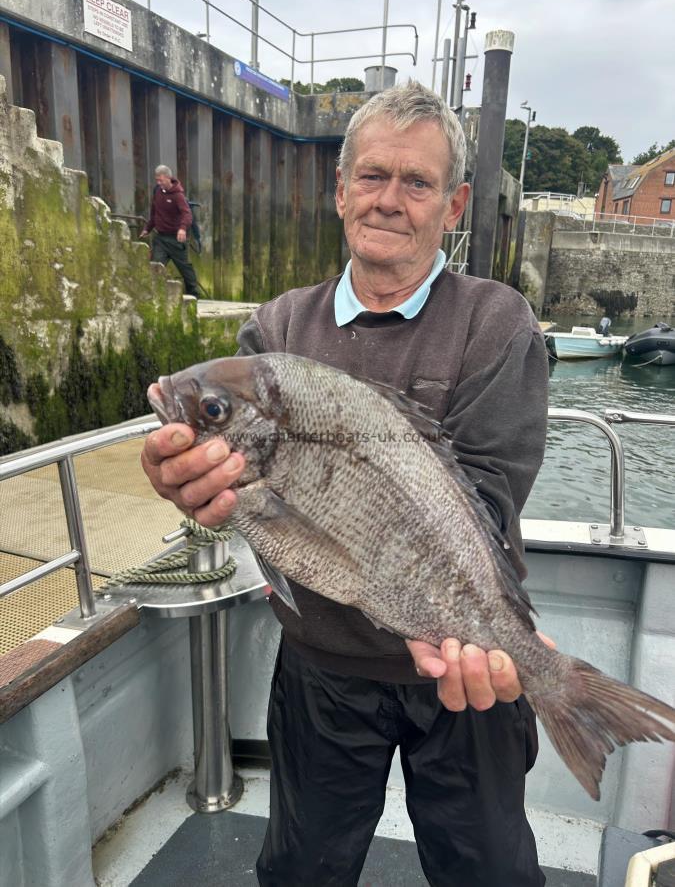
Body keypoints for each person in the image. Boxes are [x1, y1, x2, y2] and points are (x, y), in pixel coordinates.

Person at [141, 81, 550, 886]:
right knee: (301, 869)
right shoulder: (275, 329)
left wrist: (497, 633)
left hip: (466, 664)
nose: (388, 200)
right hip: (321, 667)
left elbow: (488, 497)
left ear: (454, 202)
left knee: (489, 869)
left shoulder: (495, 320)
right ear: (339, 190)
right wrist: (190, 489)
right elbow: (247, 508)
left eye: (416, 182)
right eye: (370, 176)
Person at [140, 165, 200, 298]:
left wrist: (182, 229)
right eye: (157, 180)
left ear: (168, 178)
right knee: (155, 266)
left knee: (185, 268)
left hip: (176, 240)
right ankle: (154, 295)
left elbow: (187, 214)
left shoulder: (178, 195)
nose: (159, 183)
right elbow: (154, 214)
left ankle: (194, 294)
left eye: (161, 180)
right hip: (161, 239)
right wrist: (147, 229)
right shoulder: (157, 192)